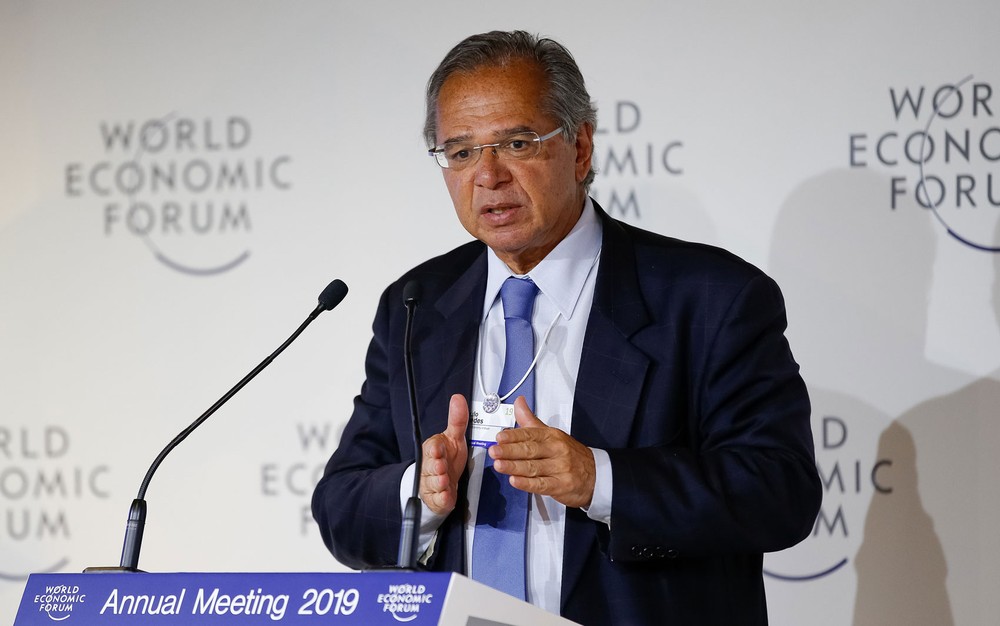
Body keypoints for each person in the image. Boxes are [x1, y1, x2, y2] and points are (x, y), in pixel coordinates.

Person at [312, 30, 821, 625]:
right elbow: (341, 507)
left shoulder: (710, 297)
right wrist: (419, 494)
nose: (488, 175)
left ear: (580, 148)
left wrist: (599, 479)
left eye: (516, 143)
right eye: (461, 152)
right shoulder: (416, 304)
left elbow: (780, 491)